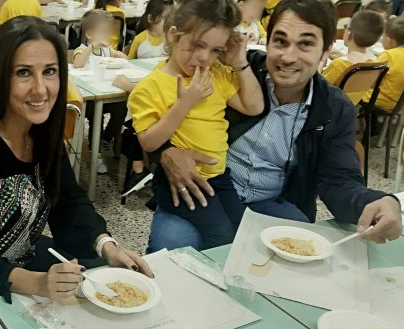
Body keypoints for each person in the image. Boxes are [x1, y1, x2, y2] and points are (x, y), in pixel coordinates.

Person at [148, 0, 402, 252]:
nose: (288, 57)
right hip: (203, 187)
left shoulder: (333, 108)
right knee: (174, 244)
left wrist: (377, 201)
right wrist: (167, 152)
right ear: (267, 43)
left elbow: (339, 180)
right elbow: (155, 105)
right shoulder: (230, 69)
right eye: (280, 41)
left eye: (305, 44)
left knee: (302, 253)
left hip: (271, 201)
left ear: (326, 52)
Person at [0, 16, 154, 304]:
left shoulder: (40, 131)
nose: (41, 89)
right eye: (24, 73)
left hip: (24, 253)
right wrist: (39, 282)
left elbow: (67, 200)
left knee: (103, 278)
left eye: (50, 71)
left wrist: (107, 245)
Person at [127, 0, 264, 249]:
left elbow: (254, 106)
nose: (204, 57)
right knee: (222, 237)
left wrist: (240, 63)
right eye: (197, 45)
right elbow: (148, 142)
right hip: (179, 184)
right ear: (173, 35)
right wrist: (184, 103)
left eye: (215, 50)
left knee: (245, 229)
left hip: (219, 176)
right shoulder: (149, 88)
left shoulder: (218, 74)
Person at [120, 0, 175, 195]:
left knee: (131, 126)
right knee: (132, 123)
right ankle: (143, 171)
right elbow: (129, 61)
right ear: (151, 19)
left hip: (160, 101)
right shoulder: (141, 38)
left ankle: (141, 170)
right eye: (165, 20)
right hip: (147, 89)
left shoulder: (172, 46)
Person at [73, 9, 128, 174]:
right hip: (90, 98)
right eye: (103, 32)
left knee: (121, 108)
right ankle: (95, 152)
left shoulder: (107, 49)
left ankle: (106, 138)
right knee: (96, 118)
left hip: (106, 92)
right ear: (89, 34)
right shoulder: (82, 49)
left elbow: (121, 57)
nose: (107, 36)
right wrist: (91, 47)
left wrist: (120, 55)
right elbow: (78, 63)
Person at [322, 10, 384, 105]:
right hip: (349, 108)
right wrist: (342, 58)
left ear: (350, 33)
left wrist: (322, 60)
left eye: (346, 27)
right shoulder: (376, 64)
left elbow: (318, 88)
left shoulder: (339, 65)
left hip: (328, 109)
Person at [364, 15, 404, 113]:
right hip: (399, 105)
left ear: (390, 40)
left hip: (379, 102)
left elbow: (369, 80)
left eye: (383, 36)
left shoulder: (389, 55)